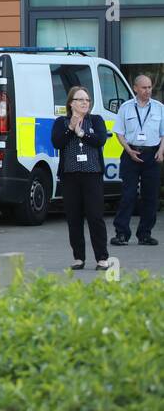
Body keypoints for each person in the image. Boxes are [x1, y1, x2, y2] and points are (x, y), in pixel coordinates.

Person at [53, 86, 110, 271]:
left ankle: (102, 258)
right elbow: (57, 142)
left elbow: (100, 140)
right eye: (81, 99)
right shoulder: (61, 122)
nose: (85, 102)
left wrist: (82, 134)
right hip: (70, 177)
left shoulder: (96, 120)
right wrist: (71, 129)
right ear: (71, 103)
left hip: (92, 176)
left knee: (95, 217)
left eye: (87, 100)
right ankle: (78, 258)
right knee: (74, 218)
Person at [112, 73, 163, 246]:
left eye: (149, 87)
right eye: (144, 87)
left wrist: (161, 152)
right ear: (135, 88)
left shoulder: (159, 108)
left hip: (152, 154)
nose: (148, 91)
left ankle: (145, 234)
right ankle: (121, 233)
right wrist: (128, 150)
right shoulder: (126, 107)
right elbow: (119, 132)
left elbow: (163, 134)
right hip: (131, 153)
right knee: (128, 195)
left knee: (150, 196)